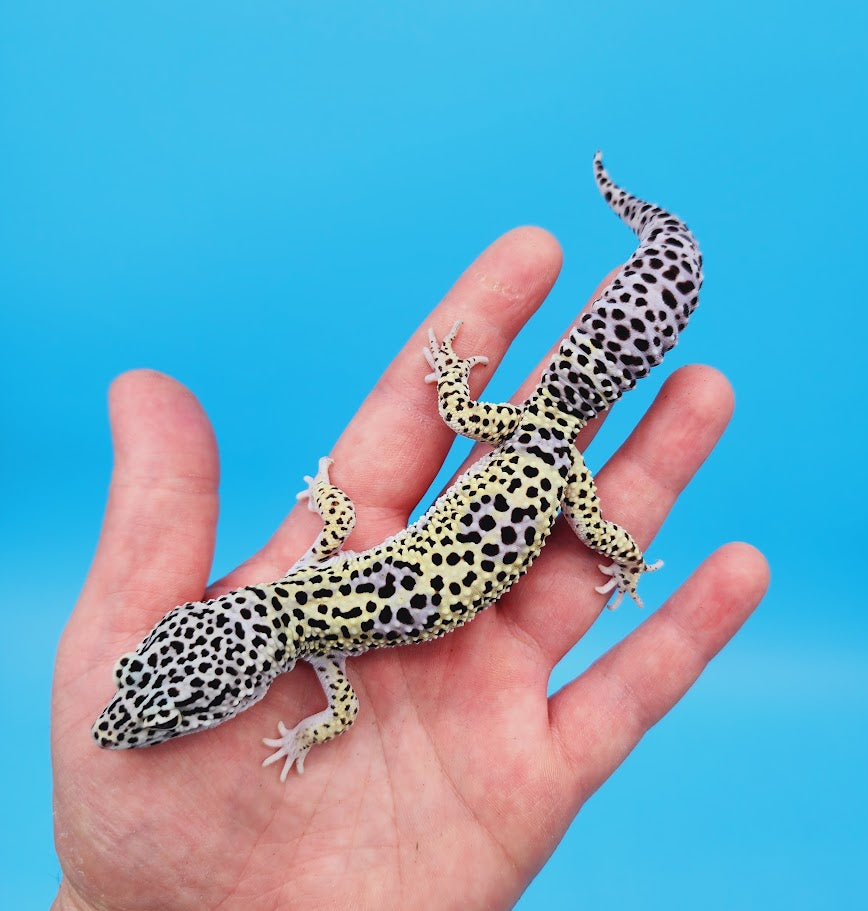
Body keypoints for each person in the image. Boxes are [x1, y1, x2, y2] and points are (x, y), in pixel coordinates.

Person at [51, 227, 768, 910]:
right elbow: (334, 527)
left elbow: (346, 710)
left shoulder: (321, 644)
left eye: (181, 710)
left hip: (545, 459)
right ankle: (657, 271)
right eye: (179, 710)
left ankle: (660, 271)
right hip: (540, 451)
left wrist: (306, 734)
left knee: (598, 525)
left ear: (245, 678)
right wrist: (335, 493)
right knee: (507, 453)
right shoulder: (303, 583)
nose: (156, 722)